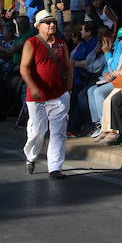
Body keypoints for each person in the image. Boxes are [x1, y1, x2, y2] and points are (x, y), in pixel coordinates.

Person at [21, 9, 72, 180]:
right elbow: (24, 68)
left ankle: (55, 167)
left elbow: (67, 65)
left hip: (58, 95)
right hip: (37, 98)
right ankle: (31, 156)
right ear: (38, 26)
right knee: (38, 131)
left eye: (53, 22)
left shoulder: (60, 43)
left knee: (58, 132)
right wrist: (33, 86)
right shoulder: (31, 43)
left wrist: (68, 86)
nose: (52, 25)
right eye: (47, 22)